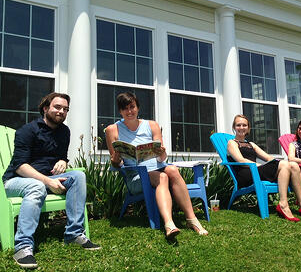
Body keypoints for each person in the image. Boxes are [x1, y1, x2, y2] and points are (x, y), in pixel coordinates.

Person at [2, 93, 100, 269]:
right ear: (45, 108)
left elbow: (60, 157)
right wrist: (48, 181)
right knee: (36, 185)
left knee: (78, 176)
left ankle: (74, 234)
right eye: (57, 107)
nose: (62, 111)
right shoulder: (28, 131)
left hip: (45, 180)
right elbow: (20, 166)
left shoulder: (64, 132)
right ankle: (23, 247)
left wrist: (63, 161)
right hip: (15, 182)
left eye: (65, 109)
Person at [105, 92, 207, 240]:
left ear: (138, 108)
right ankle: (169, 223)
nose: (129, 111)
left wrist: (161, 152)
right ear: (120, 111)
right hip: (136, 175)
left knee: (171, 169)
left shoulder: (152, 125)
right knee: (162, 177)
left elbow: (162, 158)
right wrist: (115, 159)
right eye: (125, 108)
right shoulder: (112, 130)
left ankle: (191, 219)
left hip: (157, 167)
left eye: (132, 107)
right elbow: (116, 164)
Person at [228, 114, 301, 222]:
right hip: (246, 174)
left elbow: (268, 157)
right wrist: (261, 165)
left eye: (244, 125)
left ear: (248, 128)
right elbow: (241, 160)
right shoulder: (232, 143)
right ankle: (283, 205)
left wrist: (274, 162)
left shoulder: (251, 144)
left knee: (293, 165)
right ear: (234, 127)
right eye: (238, 125)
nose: (241, 128)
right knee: (285, 164)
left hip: (257, 171)